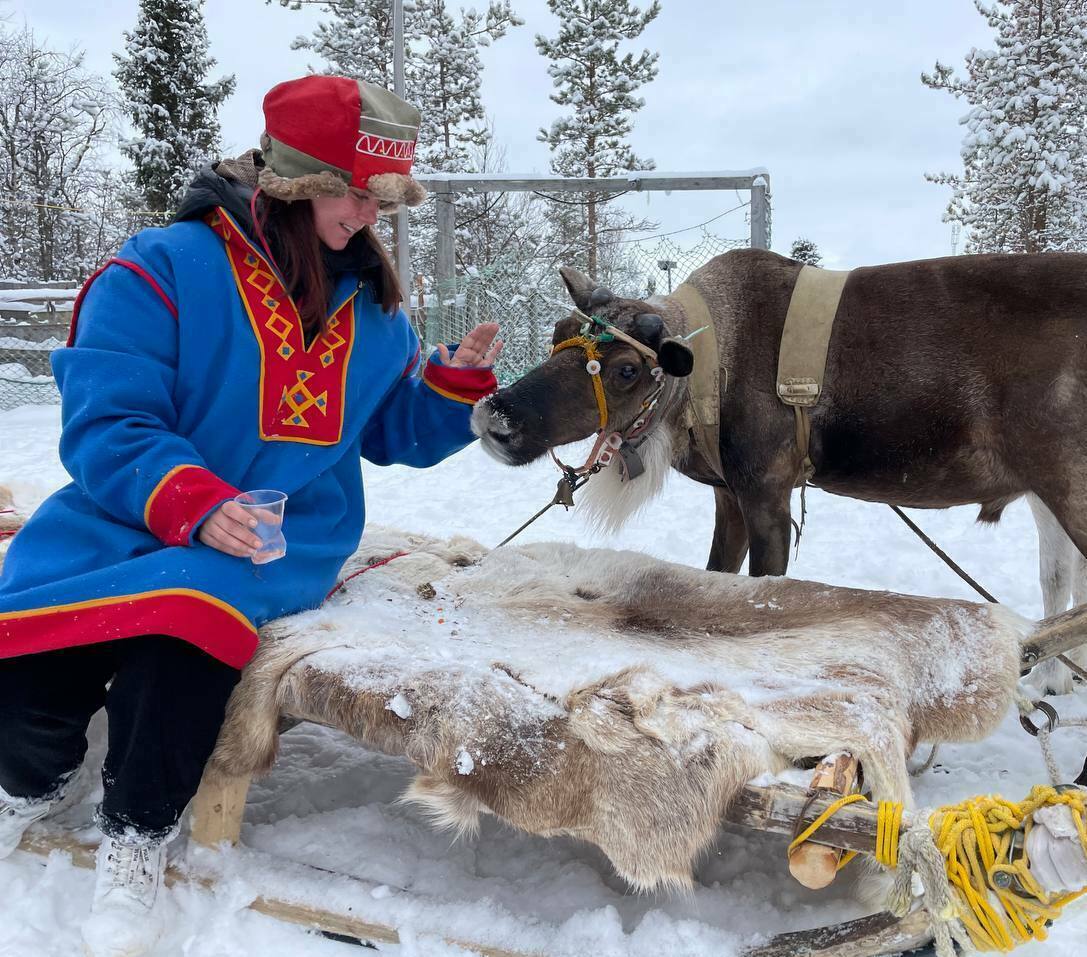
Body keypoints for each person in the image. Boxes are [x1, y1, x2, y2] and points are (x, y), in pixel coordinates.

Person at [0, 75, 501, 957]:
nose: (367, 215)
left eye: (379, 197)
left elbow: (385, 432)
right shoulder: (157, 268)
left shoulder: (376, 319)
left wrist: (448, 385)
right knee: (39, 659)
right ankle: (28, 784)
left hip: (273, 539)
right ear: (299, 184)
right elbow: (107, 420)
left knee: (182, 632)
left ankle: (137, 832)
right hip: (128, 514)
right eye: (354, 193)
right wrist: (192, 499)